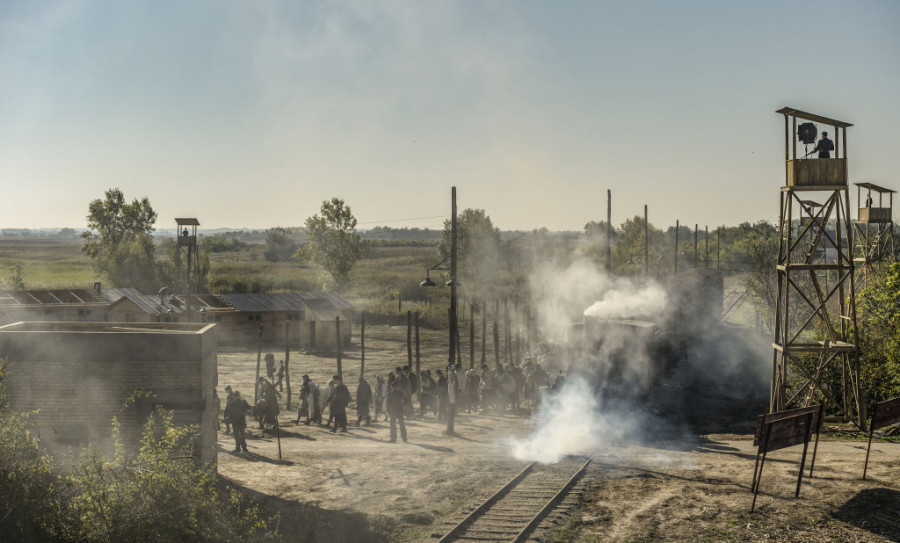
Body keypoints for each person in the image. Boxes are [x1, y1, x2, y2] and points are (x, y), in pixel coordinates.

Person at [386, 377, 408, 443]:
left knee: (393, 424)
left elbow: (388, 403)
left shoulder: (390, 393)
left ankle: (393, 438)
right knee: (401, 424)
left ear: (392, 387)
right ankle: (404, 438)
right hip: (400, 409)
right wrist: (403, 405)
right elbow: (406, 401)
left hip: (393, 410)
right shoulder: (400, 392)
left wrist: (388, 410)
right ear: (397, 386)